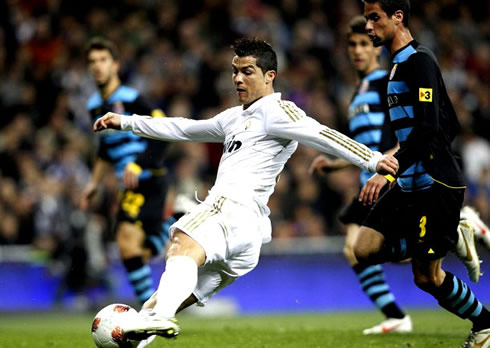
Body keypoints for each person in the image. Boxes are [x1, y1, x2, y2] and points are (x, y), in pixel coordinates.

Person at [92, 37, 399, 343]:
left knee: (181, 242)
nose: (238, 78)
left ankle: (161, 318)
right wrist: (126, 121)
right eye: (235, 71)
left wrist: (373, 159)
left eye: (248, 71)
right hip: (246, 238)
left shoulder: (278, 111)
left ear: (270, 76)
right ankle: (148, 327)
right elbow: (183, 128)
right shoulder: (233, 118)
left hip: (231, 211)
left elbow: (323, 135)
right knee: (153, 304)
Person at [355, 1, 490, 347]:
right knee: (364, 247)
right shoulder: (396, 69)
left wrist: (388, 172)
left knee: (427, 279)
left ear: (397, 17)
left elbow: (430, 127)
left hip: (435, 183)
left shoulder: (420, 61)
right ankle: (453, 234)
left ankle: (485, 325)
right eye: (367, 18)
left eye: (375, 17)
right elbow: (448, 122)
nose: (369, 26)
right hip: (409, 181)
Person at [309, 16, 411, 335]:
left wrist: (392, 165)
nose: (357, 50)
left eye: (364, 44)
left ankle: (453, 225)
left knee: (376, 250)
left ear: (376, 48)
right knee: (354, 249)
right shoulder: (357, 94)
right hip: (373, 178)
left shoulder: (385, 84)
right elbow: (366, 149)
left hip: (391, 176)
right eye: (352, 44)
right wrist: (335, 163)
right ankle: (396, 316)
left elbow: (403, 134)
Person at [82, 37, 172, 305]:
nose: (97, 66)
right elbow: (105, 149)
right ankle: (175, 221)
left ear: (115, 65)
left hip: (148, 178)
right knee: (135, 252)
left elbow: (164, 131)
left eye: (103, 60)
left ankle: (148, 312)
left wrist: (139, 163)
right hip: (129, 185)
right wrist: (94, 183)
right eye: (92, 62)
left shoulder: (133, 99)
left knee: (124, 239)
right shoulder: (93, 106)